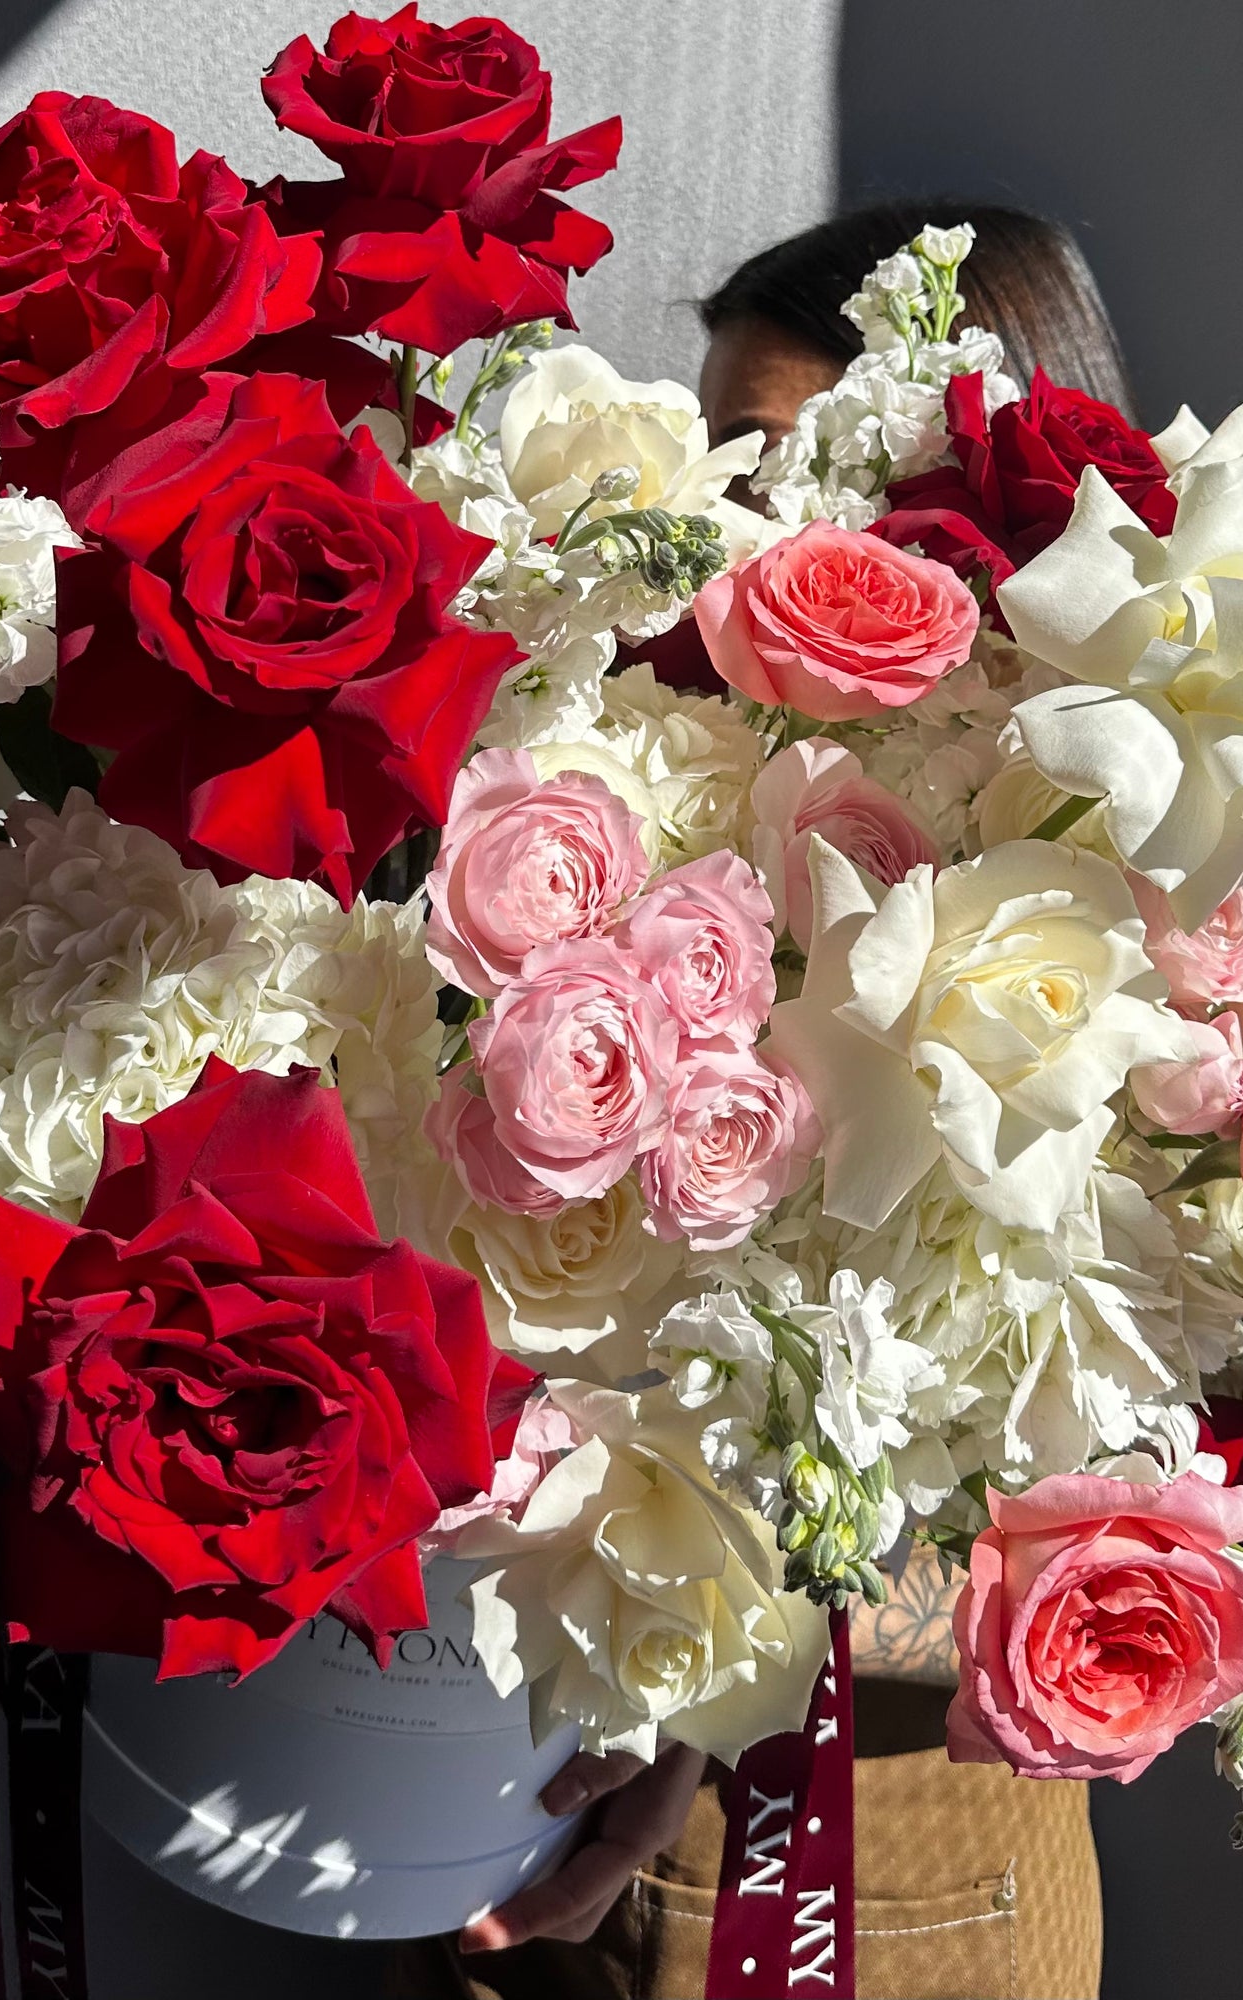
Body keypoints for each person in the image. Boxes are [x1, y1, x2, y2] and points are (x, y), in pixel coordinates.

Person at [393, 204, 1124, 2000]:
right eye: (718, 449)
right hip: (510, 1813)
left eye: (790, 464)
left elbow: (1151, 1480)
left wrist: (720, 1651)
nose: (743, 526)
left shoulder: (1114, 883)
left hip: (900, 1877)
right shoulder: (635, 778)